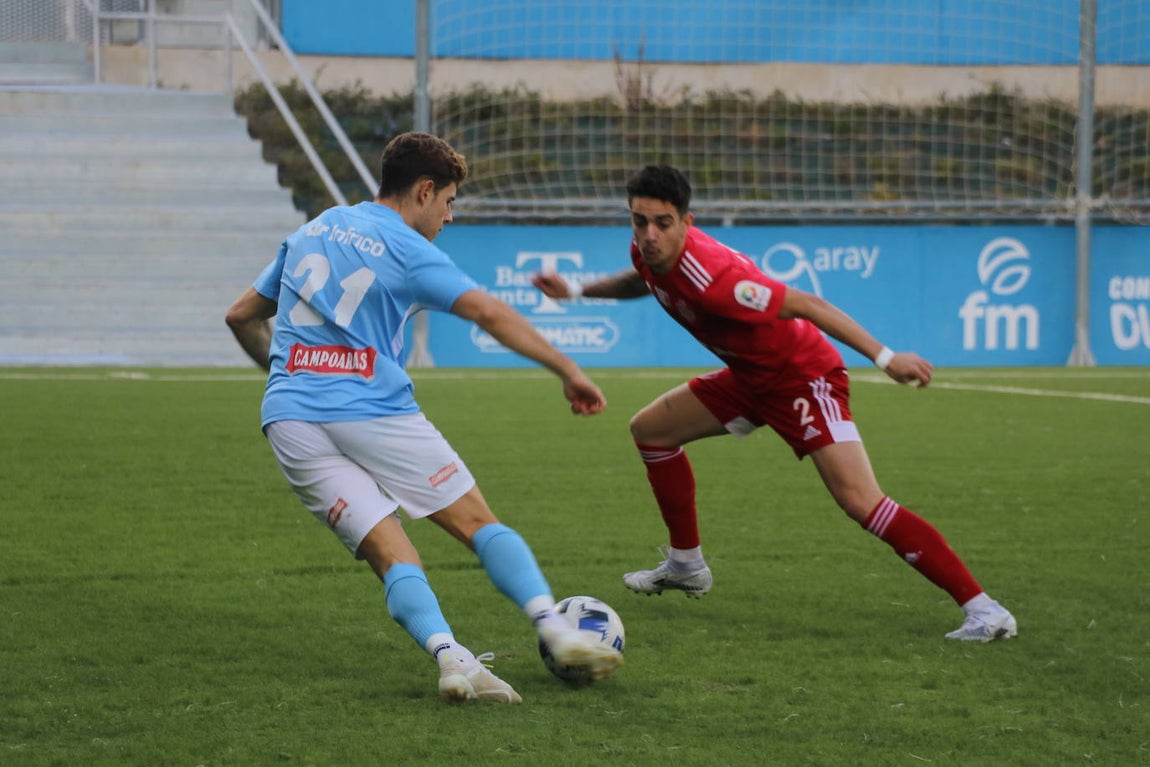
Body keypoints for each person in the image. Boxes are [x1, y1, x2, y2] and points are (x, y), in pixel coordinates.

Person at [531, 164, 1017, 642]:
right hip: (750, 377)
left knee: (860, 501)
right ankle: (686, 565)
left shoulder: (717, 281)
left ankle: (985, 610)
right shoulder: (647, 251)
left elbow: (809, 304)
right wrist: (576, 290)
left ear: (686, 222)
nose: (649, 234)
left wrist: (886, 358)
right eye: (640, 221)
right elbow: (641, 278)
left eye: (662, 223)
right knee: (652, 431)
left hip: (803, 377)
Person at [225, 131, 622, 704]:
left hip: (289, 419)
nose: (450, 216)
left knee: (391, 554)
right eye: (450, 201)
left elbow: (241, 315)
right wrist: (568, 370)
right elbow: (486, 310)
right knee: (476, 524)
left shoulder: (312, 229)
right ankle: (557, 631)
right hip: (372, 409)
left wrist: (289, 374)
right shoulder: (407, 248)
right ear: (425, 190)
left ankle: (450, 658)